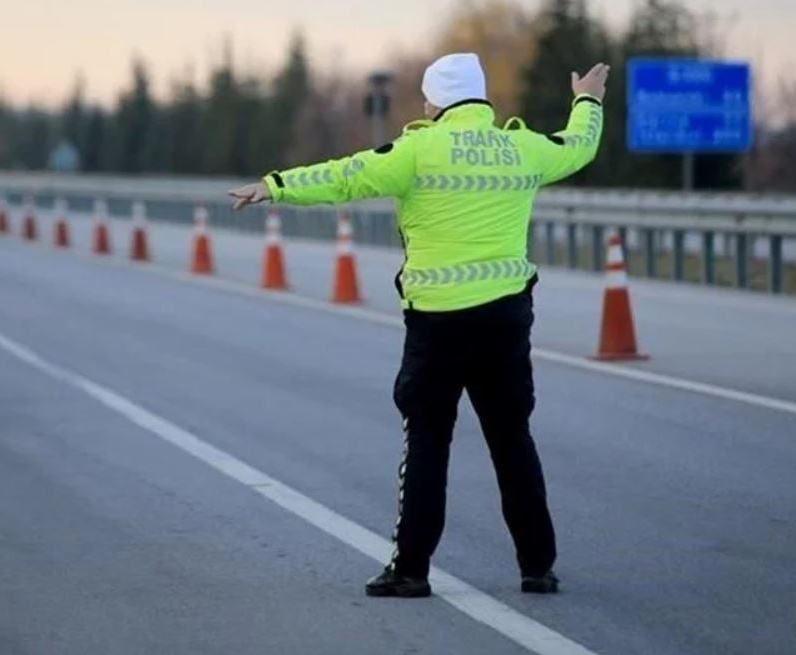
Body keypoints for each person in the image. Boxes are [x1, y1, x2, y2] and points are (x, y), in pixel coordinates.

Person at [228, 53, 607, 598]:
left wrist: (276, 185)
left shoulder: (417, 149)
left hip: (438, 324)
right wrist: (587, 101)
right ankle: (537, 566)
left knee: (428, 440)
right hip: (505, 319)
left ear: (436, 101)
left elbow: (346, 176)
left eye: (427, 97)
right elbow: (579, 147)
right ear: (478, 98)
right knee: (511, 439)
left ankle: (411, 570)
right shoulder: (520, 147)